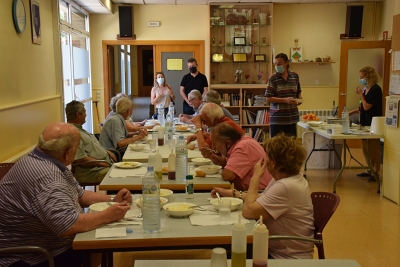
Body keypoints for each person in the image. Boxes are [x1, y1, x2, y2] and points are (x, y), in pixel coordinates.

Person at [0, 122, 132, 267]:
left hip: (46, 243)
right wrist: (108, 215)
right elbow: (68, 225)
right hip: (35, 255)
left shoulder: (43, 159)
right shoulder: (48, 179)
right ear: (68, 153)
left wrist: (112, 199)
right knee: (99, 238)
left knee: (98, 235)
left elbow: (79, 194)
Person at [211, 133, 314, 259]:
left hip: (284, 257)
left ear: (274, 163)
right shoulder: (290, 178)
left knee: (227, 251)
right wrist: (233, 193)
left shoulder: (285, 187)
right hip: (273, 247)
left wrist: (255, 177)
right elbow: (261, 200)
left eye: (267, 156)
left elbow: (248, 212)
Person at [202, 122, 272, 191]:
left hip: (261, 193)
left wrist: (224, 170)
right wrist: (213, 157)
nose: (213, 147)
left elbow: (227, 175)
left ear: (228, 143)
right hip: (255, 191)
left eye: (214, 143)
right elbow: (227, 163)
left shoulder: (243, 147)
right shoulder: (240, 141)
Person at [66, 100, 116, 184]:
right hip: (93, 172)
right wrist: (101, 163)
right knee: (121, 175)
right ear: (78, 114)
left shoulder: (80, 130)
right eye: (84, 112)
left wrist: (107, 152)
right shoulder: (73, 133)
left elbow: (93, 147)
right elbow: (80, 158)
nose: (86, 114)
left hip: (100, 167)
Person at [349, 66, 383, 182]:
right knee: (365, 149)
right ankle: (369, 169)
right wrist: (352, 112)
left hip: (373, 123)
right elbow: (362, 107)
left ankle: (376, 173)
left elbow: (367, 106)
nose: (360, 79)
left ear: (369, 76)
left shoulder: (376, 90)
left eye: (362, 77)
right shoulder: (365, 89)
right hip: (364, 122)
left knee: (373, 150)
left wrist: (361, 95)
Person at [265, 53, 302, 137]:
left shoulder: (295, 76)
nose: (277, 66)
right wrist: (285, 100)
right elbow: (268, 98)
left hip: (292, 117)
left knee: (291, 146)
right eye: (275, 64)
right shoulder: (273, 78)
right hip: (278, 118)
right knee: (277, 146)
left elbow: (298, 91)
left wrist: (299, 99)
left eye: (279, 64)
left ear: (287, 63)